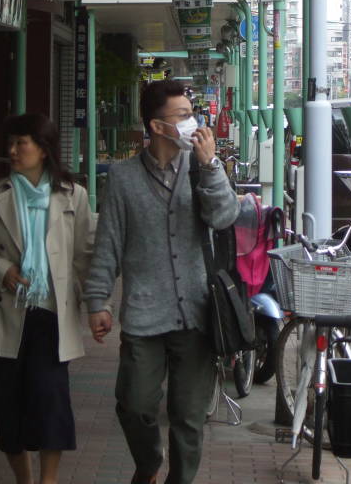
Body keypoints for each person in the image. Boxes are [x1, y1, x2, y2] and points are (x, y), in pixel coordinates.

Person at [84, 79, 240, 484]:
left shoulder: (202, 167)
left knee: (188, 417)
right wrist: (97, 300)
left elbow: (224, 217)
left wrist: (210, 167)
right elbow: (108, 243)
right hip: (144, 313)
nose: (193, 123)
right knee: (134, 404)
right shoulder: (122, 178)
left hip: (196, 312)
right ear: (157, 126)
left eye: (193, 115)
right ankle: (149, 464)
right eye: (183, 117)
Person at [0, 113, 96, 484]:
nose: (12, 151)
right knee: (9, 409)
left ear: (43, 149)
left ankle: (48, 481)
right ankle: (23, 479)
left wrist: (98, 307)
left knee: (51, 403)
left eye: (21, 143)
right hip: (4, 317)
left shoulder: (74, 196)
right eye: (10, 143)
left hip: (51, 315)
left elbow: (85, 255)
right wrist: (0, 268)